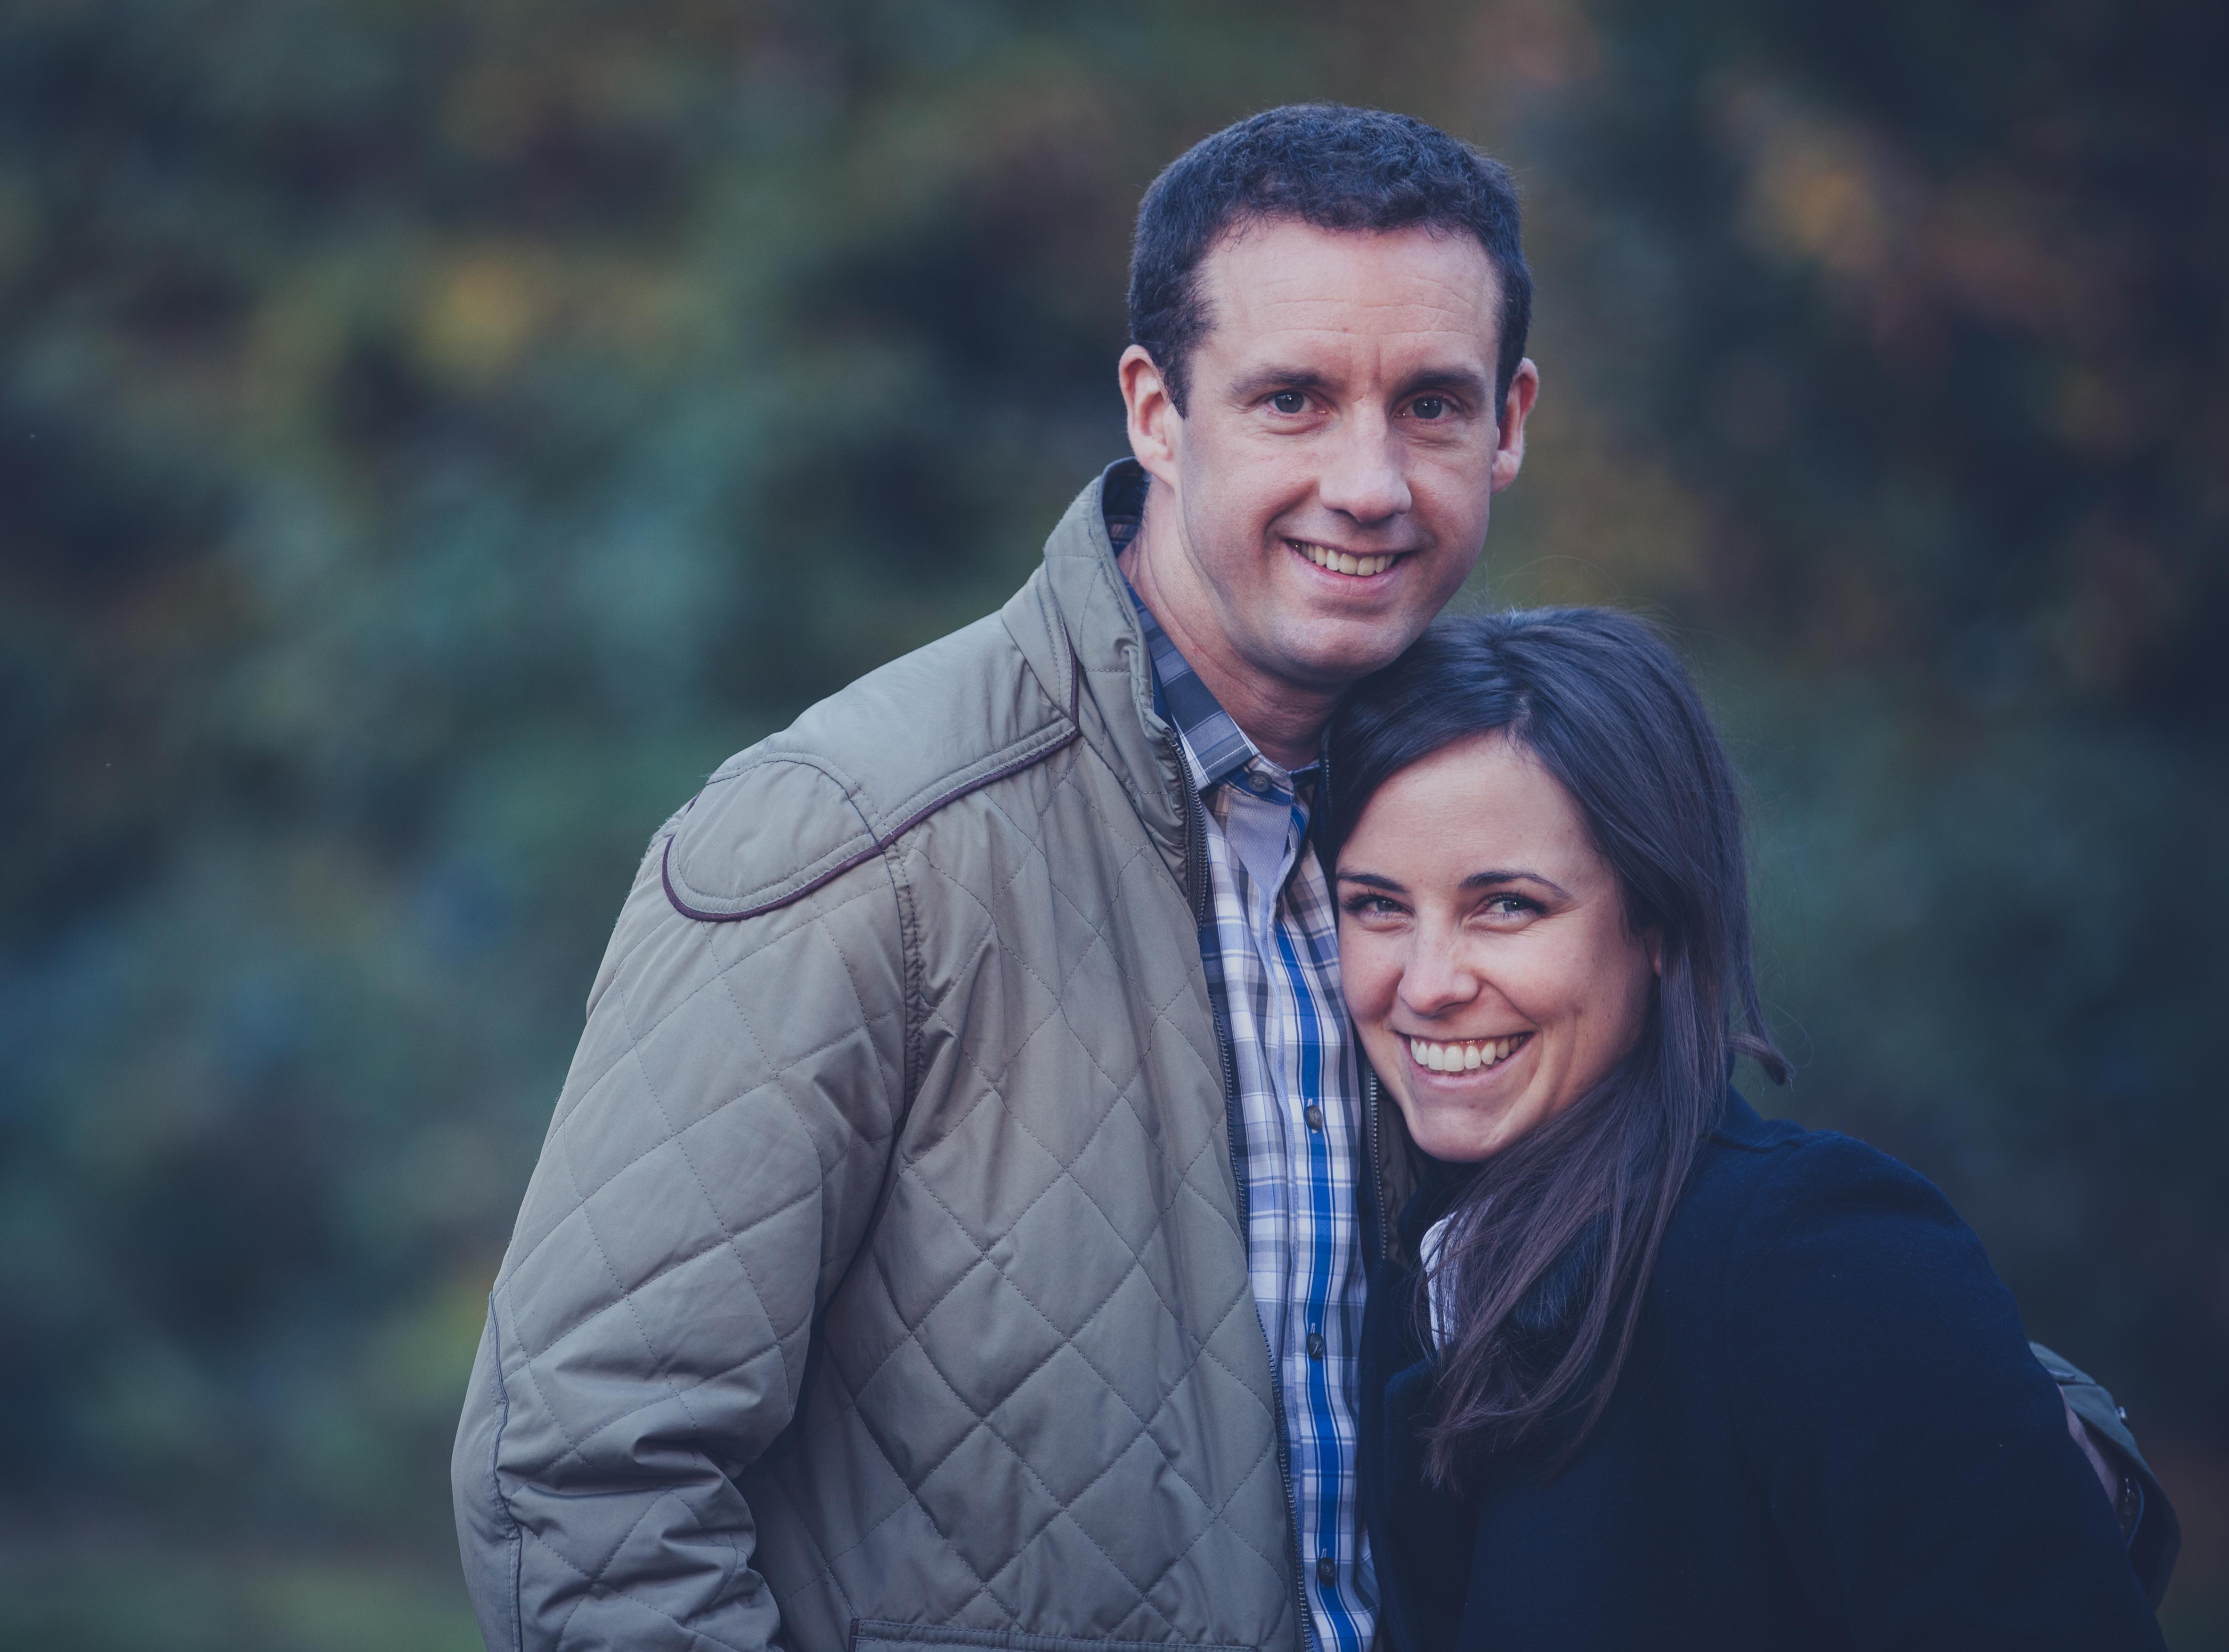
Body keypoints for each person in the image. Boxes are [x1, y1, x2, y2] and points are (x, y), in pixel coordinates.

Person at [452, 104, 2156, 1652]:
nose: (1368, 483)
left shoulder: (1461, 808)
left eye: (1431, 405)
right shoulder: (860, 836)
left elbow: (1679, 1209)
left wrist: (2027, 1439)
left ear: (1510, 425)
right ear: (1157, 410)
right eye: (1291, 400)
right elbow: (579, 1473)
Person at [1325, 607, 2175, 1650]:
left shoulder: (1812, 1250)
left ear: (1660, 925)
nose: (1425, 984)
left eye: (1505, 905)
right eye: (1376, 905)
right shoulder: (1414, 1276)